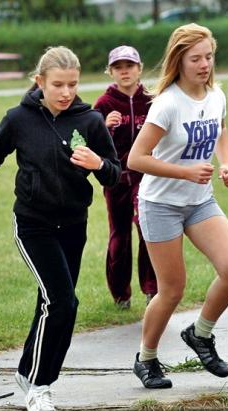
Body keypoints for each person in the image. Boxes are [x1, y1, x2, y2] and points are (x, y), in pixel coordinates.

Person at [0, 46, 120, 411]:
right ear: (40, 82)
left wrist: (98, 163)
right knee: (62, 301)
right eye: (58, 84)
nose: (66, 92)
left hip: (74, 224)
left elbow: (114, 173)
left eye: (72, 84)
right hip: (33, 224)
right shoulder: (18, 119)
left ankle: (29, 374)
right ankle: (39, 386)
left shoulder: (90, 121)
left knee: (56, 303)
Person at [127, 23, 228, 389]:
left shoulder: (216, 95)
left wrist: (224, 163)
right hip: (160, 204)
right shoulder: (167, 104)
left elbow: (220, 129)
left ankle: (201, 334)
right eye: (195, 58)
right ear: (179, 60)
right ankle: (146, 359)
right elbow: (136, 159)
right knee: (172, 290)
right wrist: (185, 171)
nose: (204, 64)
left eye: (208, 56)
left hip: (199, 201)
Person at [94, 45, 158, 310]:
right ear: (110, 72)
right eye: (118, 67)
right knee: (119, 236)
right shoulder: (104, 104)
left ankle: (152, 289)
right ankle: (121, 295)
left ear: (139, 69)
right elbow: (92, 144)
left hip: (147, 177)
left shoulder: (152, 99)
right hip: (117, 179)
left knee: (147, 228)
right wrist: (104, 127)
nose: (124, 71)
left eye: (129, 66)